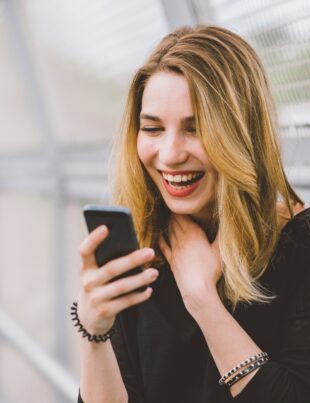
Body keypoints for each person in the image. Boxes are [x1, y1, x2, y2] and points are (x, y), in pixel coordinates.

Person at [73, 25, 310, 403]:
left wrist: (201, 298)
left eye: (195, 128)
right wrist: (94, 331)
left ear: (241, 133)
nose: (169, 154)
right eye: (152, 128)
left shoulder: (300, 245)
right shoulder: (138, 249)